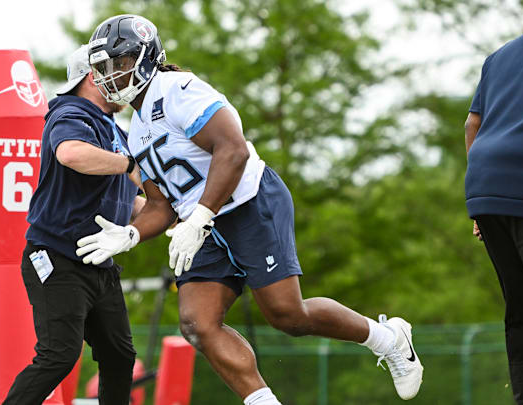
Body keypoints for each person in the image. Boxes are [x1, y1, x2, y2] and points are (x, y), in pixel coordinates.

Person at [75, 15, 424, 404]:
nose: (111, 75)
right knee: (197, 323)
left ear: (144, 58)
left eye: (118, 64)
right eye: (104, 68)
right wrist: (132, 233)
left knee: (288, 316)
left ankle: (389, 339)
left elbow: (233, 149)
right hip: (203, 222)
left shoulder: (177, 90)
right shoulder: (136, 126)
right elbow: (160, 203)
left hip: (247, 203)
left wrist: (202, 216)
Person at [3, 44, 145, 405]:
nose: (126, 77)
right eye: (118, 68)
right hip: (58, 257)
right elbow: (71, 153)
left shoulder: (115, 130)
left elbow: (129, 204)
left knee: (120, 356)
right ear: (91, 75)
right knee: (59, 355)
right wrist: (128, 166)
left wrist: (182, 212)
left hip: (99, 262)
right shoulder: (71, 112)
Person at [465, 7, 523, 405]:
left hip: (486, 187)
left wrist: (483, 199)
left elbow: (472, 125)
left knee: (522, 306)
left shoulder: (501, 56)